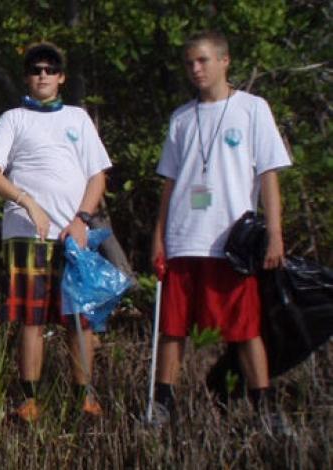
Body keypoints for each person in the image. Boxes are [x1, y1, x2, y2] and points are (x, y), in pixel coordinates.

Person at [149, 31, 291, 433]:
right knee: (173, 328)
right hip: (183, 238)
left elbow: (268, 174)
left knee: (245, 329)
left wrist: (275, 232)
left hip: (232, 243)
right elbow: (170, 182)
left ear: (225, 61)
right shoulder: (181, 117)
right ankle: (163, 404)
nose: (196, 69)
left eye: (204, 60)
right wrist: (158, 236)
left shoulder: (252, 109)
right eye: (190, 62)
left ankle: (265, 407)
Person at [0, 42, 111, 421]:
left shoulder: (78, 119)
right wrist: (26, 200)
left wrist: (82, 220)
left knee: (79, 319)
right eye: (36, 69)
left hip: (74, 237)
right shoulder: (13, 118)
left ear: (61, 77)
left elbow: (97, 176)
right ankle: (29, 399)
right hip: (26, 234)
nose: (42, 75)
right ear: (27, 76)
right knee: (31, 320)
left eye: (50, 69)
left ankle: (84, 396)